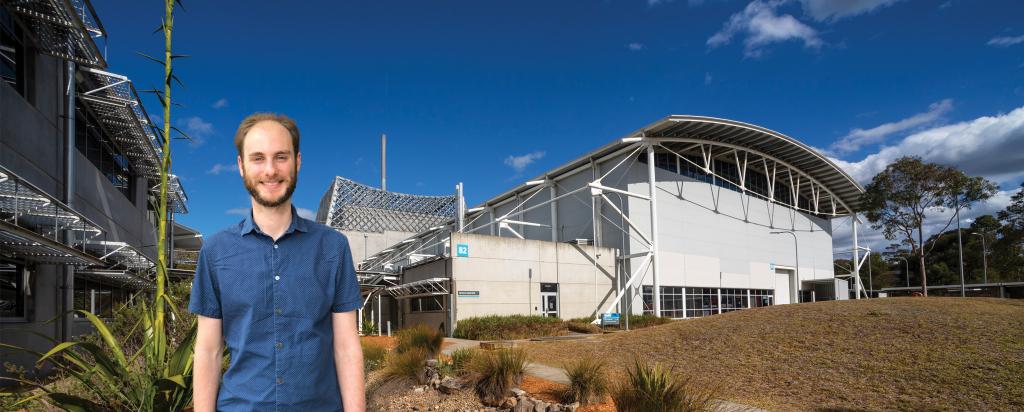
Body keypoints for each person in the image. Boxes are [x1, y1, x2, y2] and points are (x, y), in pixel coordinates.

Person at [189, 113, 365, 411]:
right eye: (258, 158)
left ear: (297, 162)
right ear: (241, 166)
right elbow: (208, 350)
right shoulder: (216, 251)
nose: (270, 170)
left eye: (280, 157)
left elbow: (347, 347)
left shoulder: (333, 247)